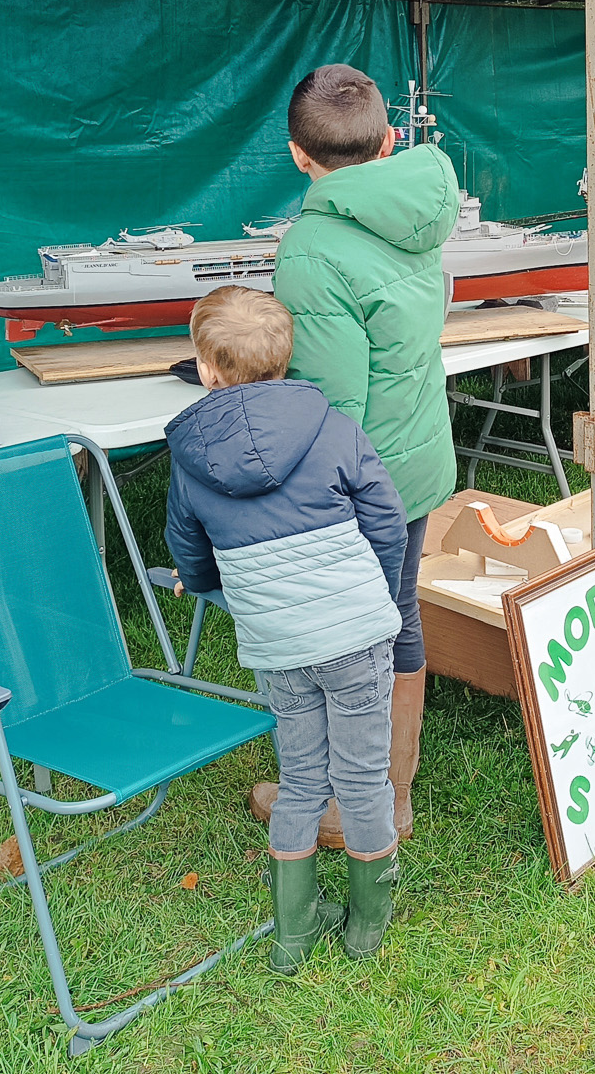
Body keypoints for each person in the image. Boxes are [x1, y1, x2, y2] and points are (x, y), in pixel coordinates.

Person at [164, 286, 408, 971]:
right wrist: (375, 595)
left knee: (301, 781)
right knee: (362, 781)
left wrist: (210, 585)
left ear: (206, 367)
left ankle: (294, 931)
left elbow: (189, 549)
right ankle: (366, 927)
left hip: (277, 642)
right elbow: (386, 519)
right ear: (283, 357)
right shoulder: (330, 424)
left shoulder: (191, 455)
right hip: (356, 633)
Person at [254, 63, 461, 845]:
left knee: (348, 637)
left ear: (297, 155)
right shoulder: (419, 207)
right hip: (416, 457)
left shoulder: (310, 250)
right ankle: (392, 792)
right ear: (390, 140)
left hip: (359, 477)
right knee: (396, 616)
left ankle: (358, 804)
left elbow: (332, 404)